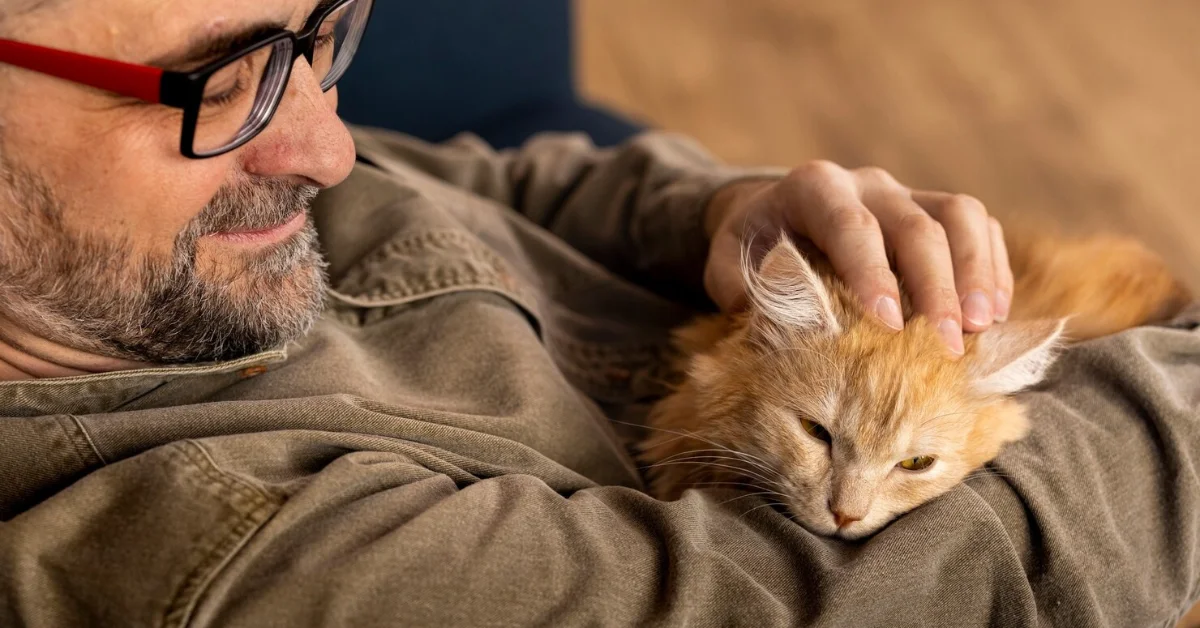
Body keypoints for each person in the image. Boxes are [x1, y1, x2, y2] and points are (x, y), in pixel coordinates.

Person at [0, 1, 1195, 626]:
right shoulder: (221, 555)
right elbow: (867, 596)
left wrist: (726, 215)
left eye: (318, 37)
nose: (328, 146)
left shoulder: (125, 244)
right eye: (223, 77)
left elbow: (494, 179)